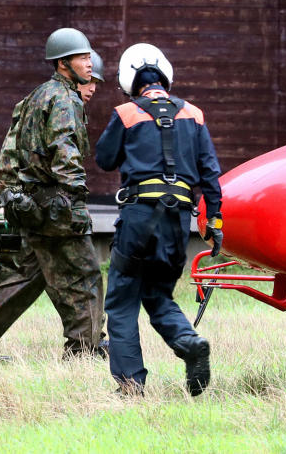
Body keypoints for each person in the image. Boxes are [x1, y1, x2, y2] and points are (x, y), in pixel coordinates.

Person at [0, 29, 105, 360]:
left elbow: (12, 149)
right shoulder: (65, 100)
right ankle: (85, 350)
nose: (90, 64)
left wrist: (10, 192)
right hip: (57, 205)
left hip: (31, 204)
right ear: (64, 63)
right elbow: (65, 153)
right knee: (85, 277)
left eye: (89, 57)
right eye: (83, 57)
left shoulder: (37, 96)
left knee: (24, 274)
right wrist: (76, 199)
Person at [95, 43, 223, 397]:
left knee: (122, 301)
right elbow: (211, 174)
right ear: (166, 76)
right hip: (177, 222)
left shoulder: (127, 113)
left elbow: (104, 159)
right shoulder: (194, 115)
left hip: (139, 217)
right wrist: (215, 222)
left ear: (128, 81)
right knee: (157, 294)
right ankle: (188, 341)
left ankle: (131, 385)